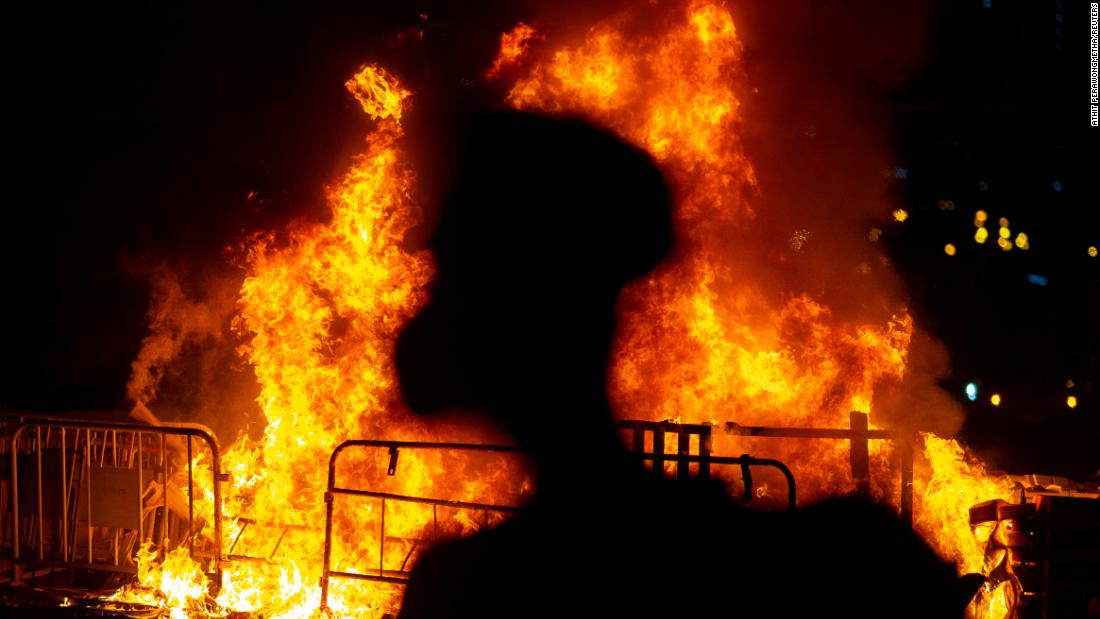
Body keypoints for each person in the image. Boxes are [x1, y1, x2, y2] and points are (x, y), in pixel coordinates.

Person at [394, 110, 969, 618]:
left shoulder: (475, 592)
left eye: (449, 276)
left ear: (522, 312)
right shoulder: (855, 565)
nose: (420, 315)